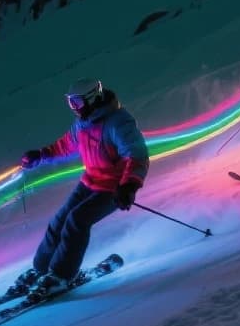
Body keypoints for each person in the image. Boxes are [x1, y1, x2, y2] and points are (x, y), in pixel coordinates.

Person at [14, 78, 149, 302]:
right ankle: (41, 269)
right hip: (90, 182)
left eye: (76, 103)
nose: (74, 108)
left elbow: (136, 155)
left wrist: (129, 186)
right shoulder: (83, 123)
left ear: (92, 98)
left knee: (76, 221)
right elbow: (65, 145)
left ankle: (60, 276)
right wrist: (41, 155)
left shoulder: (118, 123)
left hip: (113, 188)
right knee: (59, 221)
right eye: (70, 103)